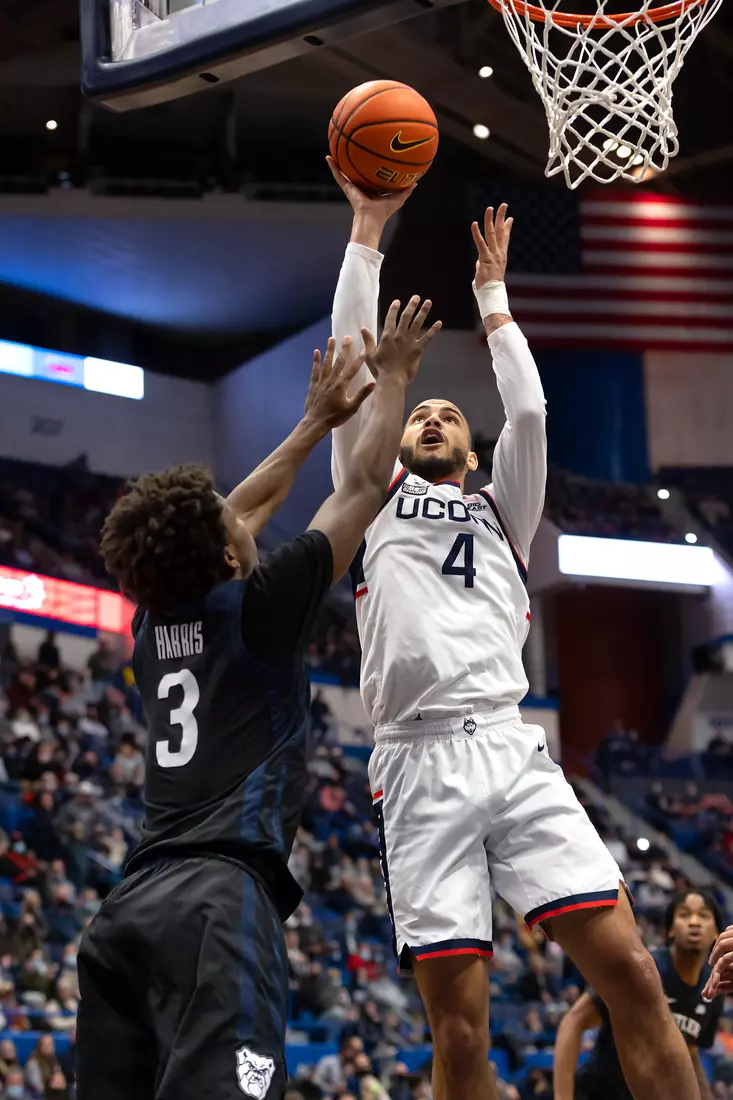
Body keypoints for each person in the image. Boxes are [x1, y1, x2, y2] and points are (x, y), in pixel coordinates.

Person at [326, 157, 703, 1100]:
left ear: (473, 451)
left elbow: (528, 407)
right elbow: (351, 376)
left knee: (633, 977)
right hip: (415, 765)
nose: (435, 416)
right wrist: (366, 234)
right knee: (458, 1035)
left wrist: (492, 296)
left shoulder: (505, 509)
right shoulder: (369, 500)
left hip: (510, 749)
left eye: (452, 415)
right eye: (421, 410)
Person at [76, 306, 440, 1100]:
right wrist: (397, 379)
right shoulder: (259, 610)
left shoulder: (151, 624)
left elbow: (234, 514)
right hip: (216, 902)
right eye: (226, 515)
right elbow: (361, 487)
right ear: (222, 550)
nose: (240, 511)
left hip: (127, 914)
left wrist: (313, 421)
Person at [554, 889, 725, 1100]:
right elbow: (574, 1020)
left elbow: (690, 1053)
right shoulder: (644, 970)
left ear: (718, 932)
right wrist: (562, 1096)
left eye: (704, 916)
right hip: (598, 1092)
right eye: (684, 915)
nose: (694, 922)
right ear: (670, 930)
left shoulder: (714, 987)